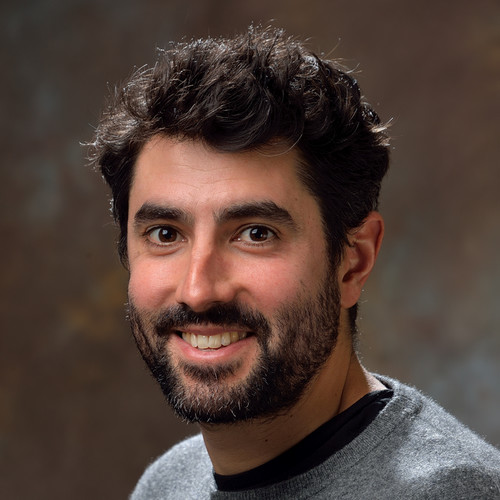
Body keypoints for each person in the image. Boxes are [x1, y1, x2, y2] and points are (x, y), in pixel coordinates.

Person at [90, 26, 500, 499]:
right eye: (166, 234)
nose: (198, 290)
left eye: (255, 234)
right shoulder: (167, 485)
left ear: (353, 262)